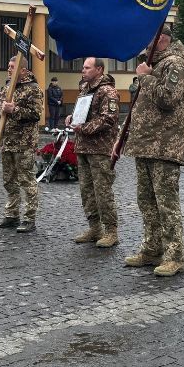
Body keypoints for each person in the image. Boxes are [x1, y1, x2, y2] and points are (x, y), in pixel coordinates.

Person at [122, 24, 184, 276]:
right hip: (146, 144)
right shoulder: (156, 64)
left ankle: (175, 255)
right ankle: (152, 248)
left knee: (166, 204)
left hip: (164, 146)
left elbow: (168, 98)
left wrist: (145, 77)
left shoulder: (176, 64)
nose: (145, 41)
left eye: (149, 36)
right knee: (147, 202)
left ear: (161, 37)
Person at [67, 58, 120, 248]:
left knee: (102, 191)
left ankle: (111, 231)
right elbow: (83, 113)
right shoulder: (85, 89)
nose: (83, 70)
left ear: (99, 69)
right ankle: (94, 227)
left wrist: (84, 128)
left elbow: (109, 119)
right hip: (83, 147)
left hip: (100, 149)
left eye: (87, 68)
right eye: (83, 67)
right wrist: (72, 118)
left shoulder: (108, 91)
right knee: (87, 191)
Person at [0, 56, 43, 233]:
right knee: (9, 181)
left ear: (23, 70)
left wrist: (15, 109)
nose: (9, 69)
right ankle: (12, 215)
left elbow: (36, 114)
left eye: (12, 66)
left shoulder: (33, 89)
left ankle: (29, 218)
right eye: (8, 66)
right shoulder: (7, 88)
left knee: (27, 180)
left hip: (24, 143)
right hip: (8, 142)